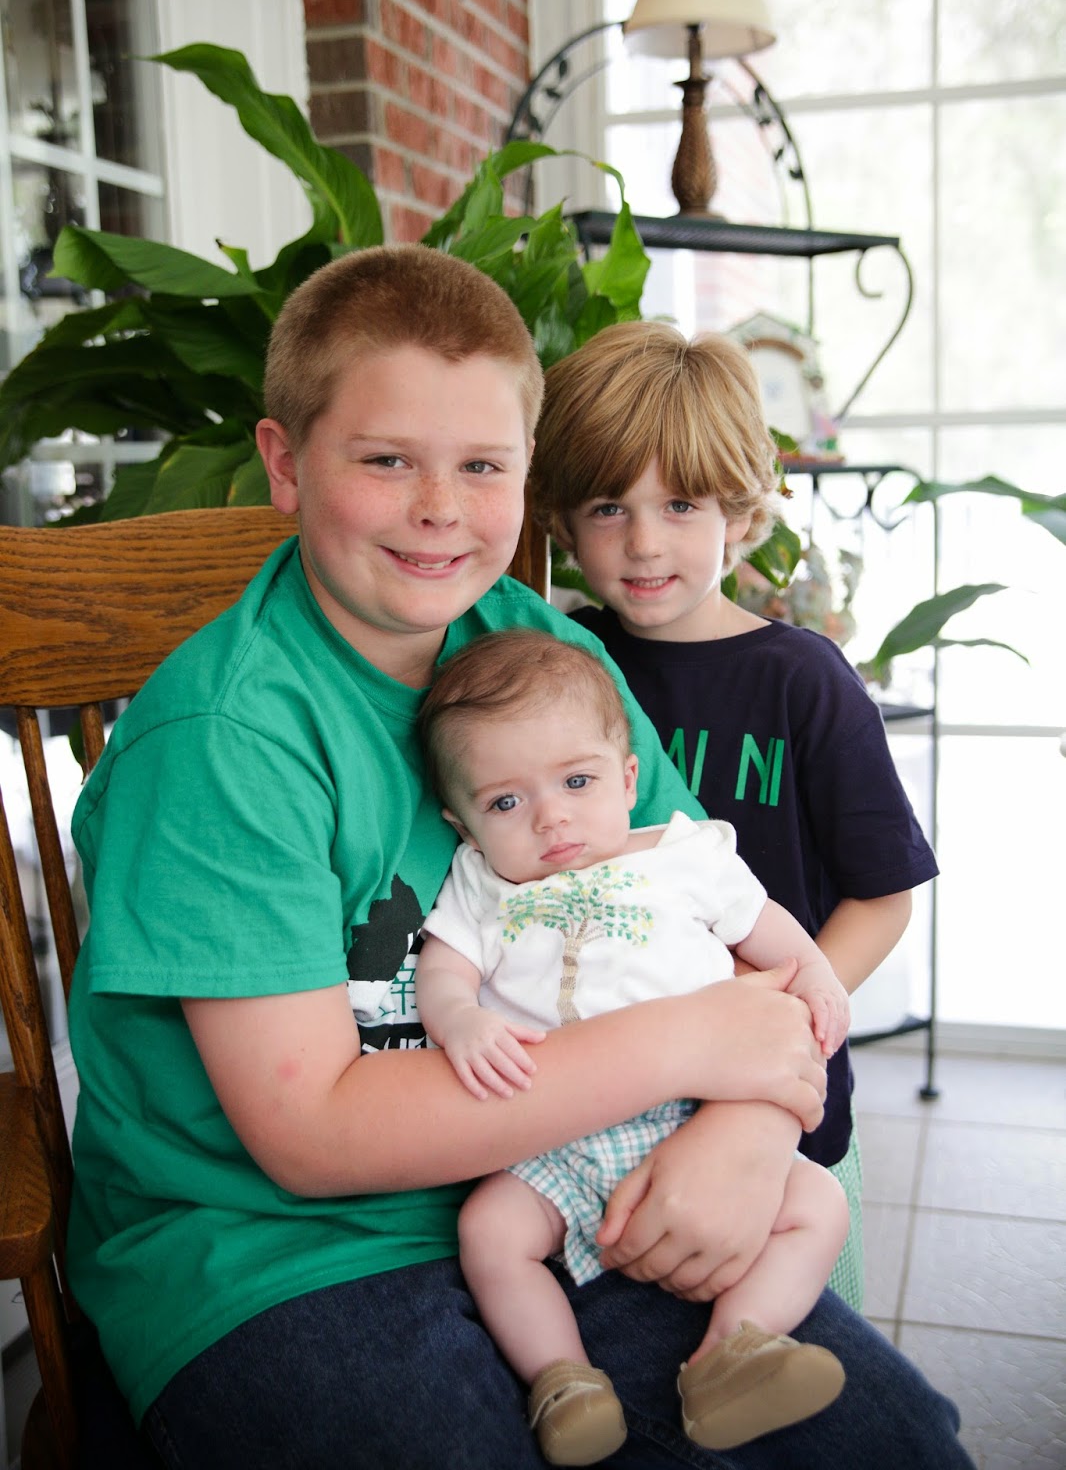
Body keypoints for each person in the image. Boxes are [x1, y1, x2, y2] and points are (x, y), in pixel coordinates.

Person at [65, 245, 972, 1470]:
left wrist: (746, 1127)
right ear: (284, 463)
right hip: (279, 1250)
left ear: (525, 470)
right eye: (386, 460)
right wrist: (688, 1047)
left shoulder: (546, 658)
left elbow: (705, 913)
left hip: (572, 1178)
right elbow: (311, 1134)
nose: (441, 508)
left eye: (483, 466)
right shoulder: (222, 741)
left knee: (894, 1445)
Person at [530, 320, 940, 1314]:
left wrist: (784, 1025)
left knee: (795, 1349)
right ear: (564, 523)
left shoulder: (805, 680)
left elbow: (884, 896)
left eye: (680, 503)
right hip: (605, 1114)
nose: (643, 542)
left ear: (741, 507)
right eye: (608, 506)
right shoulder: (561, 669)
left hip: (780, 1118)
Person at [416, 629, 851, 1463]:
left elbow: (768, 932)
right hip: (555, 1136)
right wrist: (461, 1020)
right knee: (491, 1233)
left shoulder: (686, 855)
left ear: (627, 778)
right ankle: (563, 1381)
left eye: (577, 782)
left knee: (819, 1205)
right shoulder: (483, 884)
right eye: (504, 803)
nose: (551, 817)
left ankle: (735, 1352)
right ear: (461, 823)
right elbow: (445, 970)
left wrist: (818, 976)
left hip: (694, 1119)